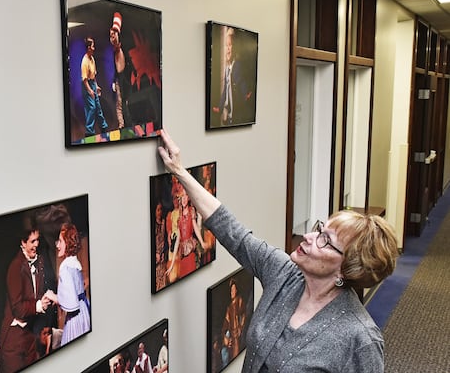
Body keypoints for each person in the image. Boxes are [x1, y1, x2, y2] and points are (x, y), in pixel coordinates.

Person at [157, 129, 399, 372]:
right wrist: (179, 171)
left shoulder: (360, 339)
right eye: (319, 228)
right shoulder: (284, 273)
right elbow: (233, 233)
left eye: (325, 240)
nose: (309, 236)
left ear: (346, 270)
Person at [0, 223, 55, 373]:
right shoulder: (15, 267)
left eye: (38, 240)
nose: (36, 244)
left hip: (30, 334)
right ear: (23, 243)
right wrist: (38, 305)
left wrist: (46, 299)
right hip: (14, 337)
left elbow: (37, 295)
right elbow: (17, 308)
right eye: (32, 241)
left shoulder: (40, 262)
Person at [53, 223, 91, 344]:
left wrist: (51, 296)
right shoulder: (75, 263)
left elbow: (70, 303)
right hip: (84, 312)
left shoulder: (65, 267)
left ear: (68, 243)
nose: (58, 245)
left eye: (60, 241)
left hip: (75, 317)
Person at [217, 26, 254, 126]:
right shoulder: (226, 68)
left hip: (237, 110)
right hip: (229, 113)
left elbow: (241, 81)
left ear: (235, 47)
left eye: (230, 45)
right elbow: (225, 90)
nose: (228, 48)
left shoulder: (237, 65)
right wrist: (219, 107)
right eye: (226, 45)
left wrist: (245, 93)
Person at [110, 12, 134, 129]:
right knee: (121, 104)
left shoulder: (120, 48)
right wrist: (114, 81)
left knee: (123, 104)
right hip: (121, 79)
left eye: (113, 35)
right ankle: (123, 125)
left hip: (125, 80)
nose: (111, 37)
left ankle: (126, 125)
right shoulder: (115, 51)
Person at [81, 37, 108, 137]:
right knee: (91, 108)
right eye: (92, 46)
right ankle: (89, 131)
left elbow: (94, 75)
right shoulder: (85, 61)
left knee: (98, 107)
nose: (94, 48)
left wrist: (96, 86)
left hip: (92, 82)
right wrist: (90, 90)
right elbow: (84, 79)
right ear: (88, 48)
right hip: (86, 85)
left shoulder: (92, 59)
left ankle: (104, 126)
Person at [220, 278, 247, 366]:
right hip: (232, 335)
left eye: (233, 290)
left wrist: (241, 327)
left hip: (237, 335)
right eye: (231, 290)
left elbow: (244, 314)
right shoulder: (229, 307)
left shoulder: (239, 301)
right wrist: (224, 336)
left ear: (236, 290)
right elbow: (226, 322)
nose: (231, 292)